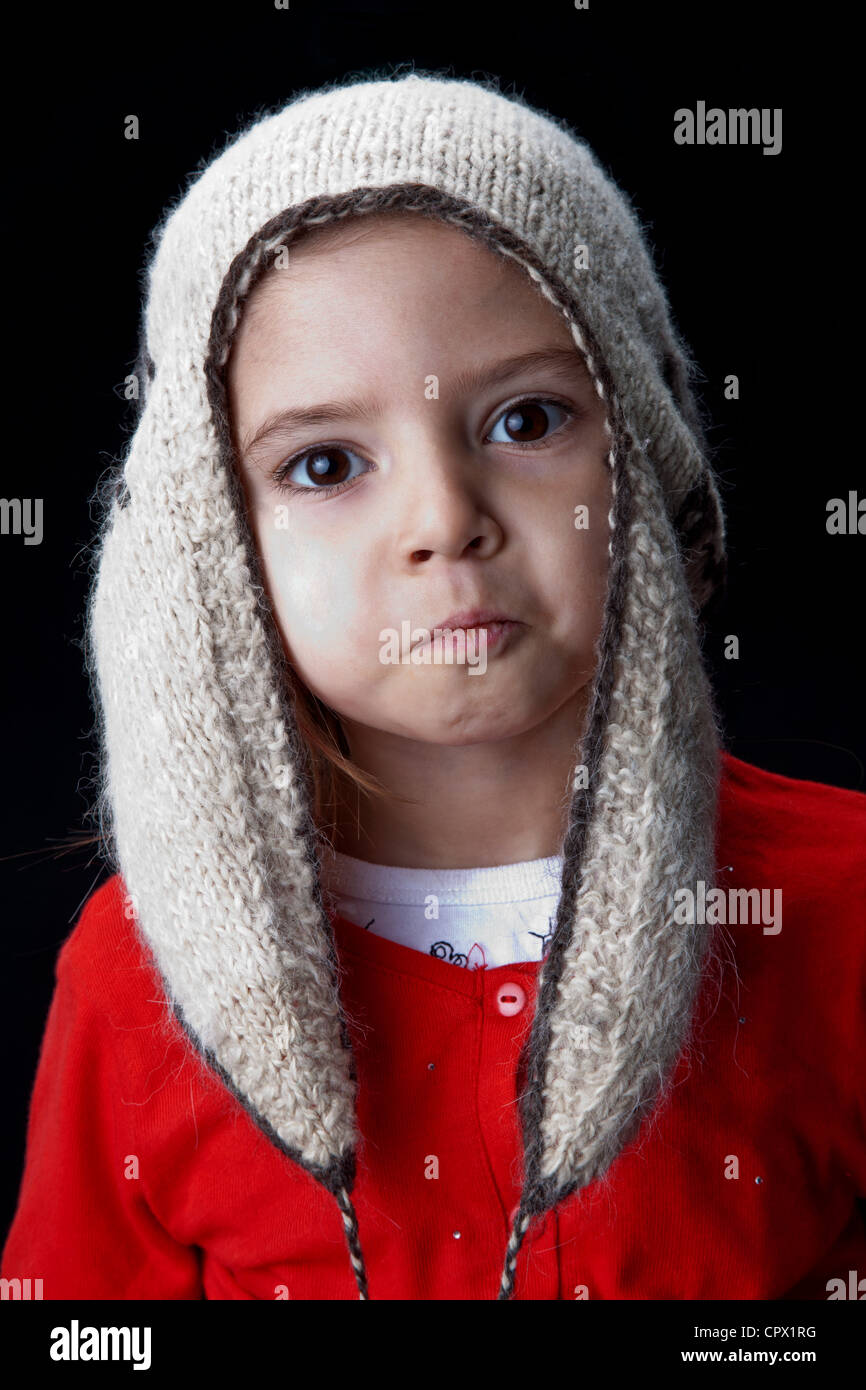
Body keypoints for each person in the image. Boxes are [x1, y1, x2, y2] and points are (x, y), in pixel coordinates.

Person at [3, 70, 864, 1302]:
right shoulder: (136, 978)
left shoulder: (840, 913)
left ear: (650, 465)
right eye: (324, 462)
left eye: (524, 421)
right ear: (212, 544)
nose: (443, 521)